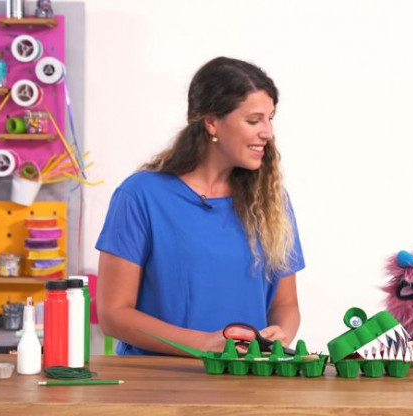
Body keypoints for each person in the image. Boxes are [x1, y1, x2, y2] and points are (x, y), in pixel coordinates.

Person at [95, 57, 305, 356]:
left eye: (270, 118)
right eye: (254, 120)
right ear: (211, 122)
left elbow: (285, 303)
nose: (268, 132)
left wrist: (280, 334)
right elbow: (113, 315)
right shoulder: (140, 195)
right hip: (157, 379)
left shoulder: (271, 201)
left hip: (245, 377)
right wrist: (203, 344)